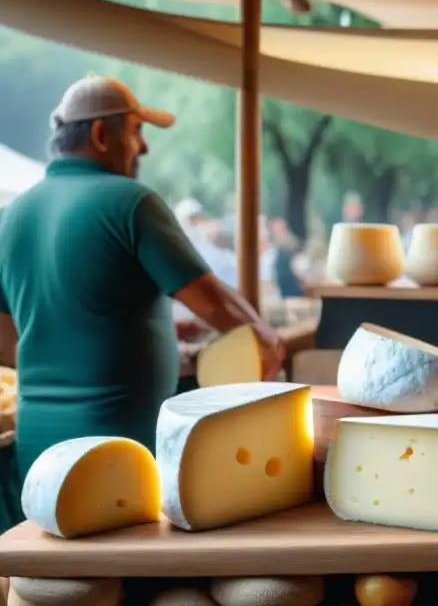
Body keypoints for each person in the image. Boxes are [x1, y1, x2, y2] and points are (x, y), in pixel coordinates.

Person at [0, 76, 286, 489]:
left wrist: (155, 336)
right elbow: (215, 305)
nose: (144, 147)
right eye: (136, 131)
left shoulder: (12, 216)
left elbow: (9, 343)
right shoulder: (131, 202)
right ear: (100, 134)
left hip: (38, 453)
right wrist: (267, 340)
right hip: (119, 449)